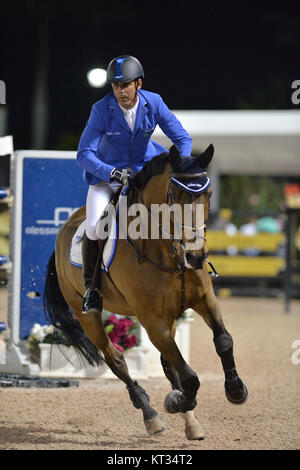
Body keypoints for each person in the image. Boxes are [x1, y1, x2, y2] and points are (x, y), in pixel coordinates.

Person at [76, 55, 192, 314]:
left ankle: (181, 277)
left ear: (138, 83)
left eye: (126, 85)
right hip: (108, 177)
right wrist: (112, 173)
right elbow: (84, 154)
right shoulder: (101, 109)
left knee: (171, 209)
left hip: (144, 170)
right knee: (95, 226)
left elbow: (182, 137)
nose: (120, 91)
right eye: (116, 86)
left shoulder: (155, 102)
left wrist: (182, 162)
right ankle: (91, 289)